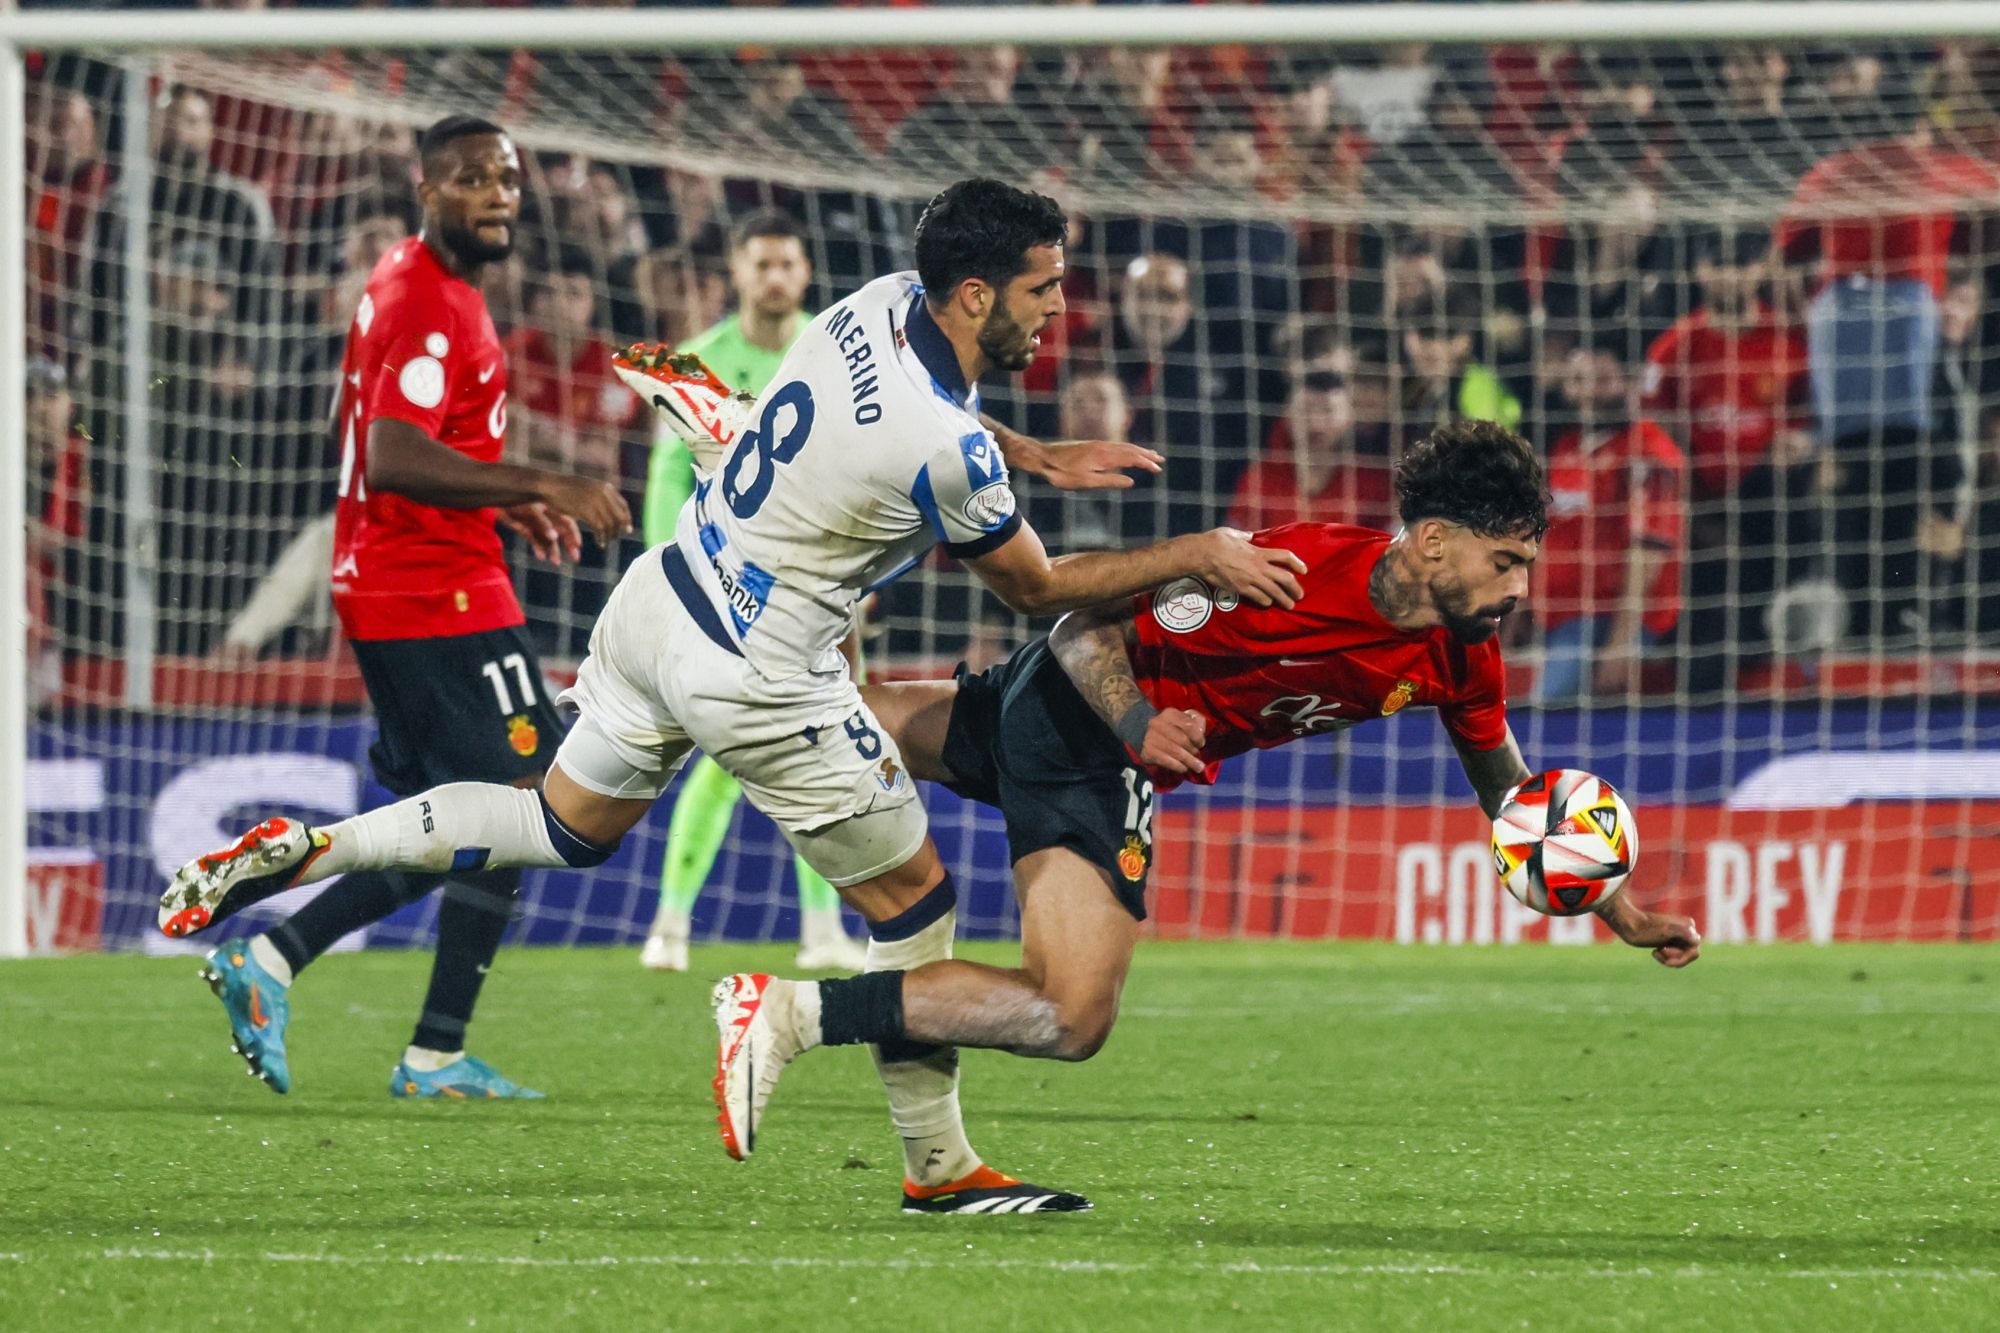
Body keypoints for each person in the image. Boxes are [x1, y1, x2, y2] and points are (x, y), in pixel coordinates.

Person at [164, 177, 1305, 1214]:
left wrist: (1034, 455)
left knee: (556, 824)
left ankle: (309, 850)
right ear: (972, 291)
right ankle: (937, 1165)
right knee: (912, 903)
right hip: (762, 674)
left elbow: (944, 419)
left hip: (663, 597)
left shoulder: (871, 303)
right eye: (1041, 289)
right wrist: (1193, 549)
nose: (1056, 310)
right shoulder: (947, 446)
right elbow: (1038, 589)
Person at [711, 422, 1701, 1203]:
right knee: (1069, 1012)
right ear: (1433, 541)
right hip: (1085, 731)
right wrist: (1138, 721)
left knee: (838, 711)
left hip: (1062, 724)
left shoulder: (1461, 651)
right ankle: (791, 1013)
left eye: (1526, 564)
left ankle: (767, 555)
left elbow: (1509, 792)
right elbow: (1077, 621)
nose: (1518, 590)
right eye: (1503, 562)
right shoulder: (1291, 573)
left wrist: (1616, 908)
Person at [157, 115, 632, 1100]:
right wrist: (543, 479)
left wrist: (509, 500)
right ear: (427, 191)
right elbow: (393, 455)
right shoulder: (427, 299)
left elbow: (419, 444)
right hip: (428, 588)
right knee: (526, 805)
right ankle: (316, 979)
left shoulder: (432, 287)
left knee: (476, 814)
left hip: (424, 576)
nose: (498, 193)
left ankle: (394, 1029)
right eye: (472, 178)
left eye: (506, 178)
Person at [638, 209, 869, 974]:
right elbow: (666, 475)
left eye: (786, 264)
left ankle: (819, 927)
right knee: (723, 751)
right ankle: (671, 923)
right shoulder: (698, 362)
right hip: (718, 588)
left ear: (804, 273)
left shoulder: (830, 350)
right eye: (760, 263)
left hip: (811, 586)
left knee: (817, 742)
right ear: (735, 272)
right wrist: (665, 571)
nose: (773, 277)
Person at [1534, 334, 1688, 705]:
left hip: (1604, 624)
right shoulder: (1566, 447)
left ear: (1629, 382)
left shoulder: (1648, 453)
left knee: (1544, 725)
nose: (1588, 393)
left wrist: (1621, 642)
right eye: (1578, 381)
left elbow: (1647, 551)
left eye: (1602, 380)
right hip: (1562, 620)